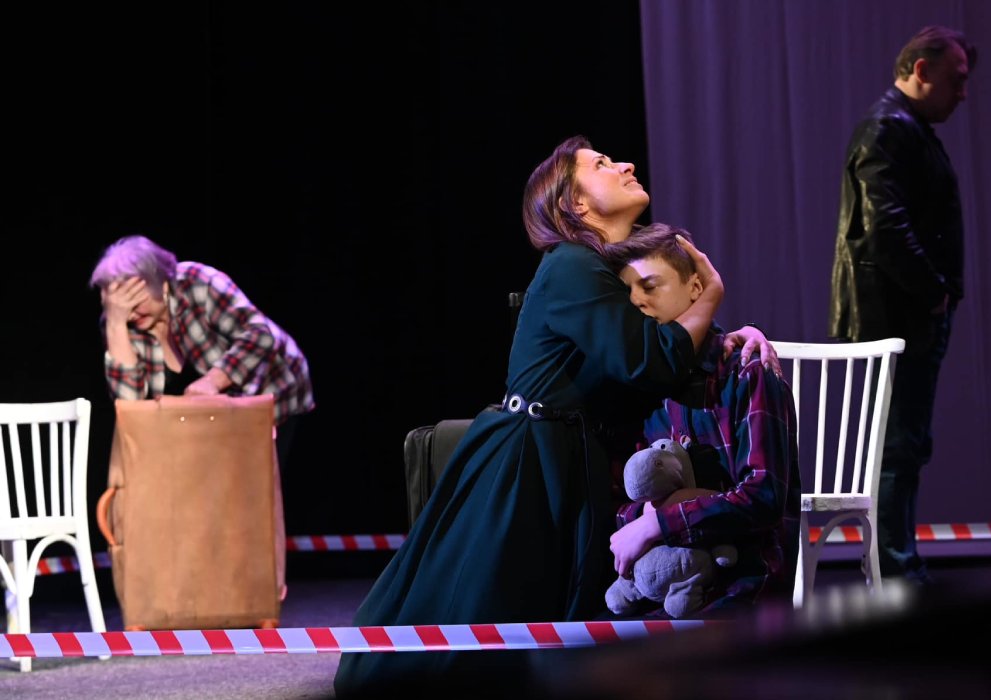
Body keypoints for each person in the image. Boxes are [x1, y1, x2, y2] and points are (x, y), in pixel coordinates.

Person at [333, 136, 772, 696]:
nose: (625, 164)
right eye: (602, 164)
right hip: (526, 458)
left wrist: (732, 336)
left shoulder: (601, 271)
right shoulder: (571, 263)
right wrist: (711, 294)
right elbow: (649, 360)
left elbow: (659, 350)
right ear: (576, 204)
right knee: (490, 608)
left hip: (563, 452)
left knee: (540, 617)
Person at [828, 26, 976, 584]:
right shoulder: (888, 127)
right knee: (896, 447)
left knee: (904, 445)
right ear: (921, 70)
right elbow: (884, 226)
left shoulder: (902, 127)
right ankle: (894, 569)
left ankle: (896, 564)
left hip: (904, 316)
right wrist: (933, 291)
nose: (962, 93)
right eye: (956, 80)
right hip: (894, 319)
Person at [606, 224, 799, 617]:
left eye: (650, 286)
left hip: (741, 581)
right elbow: (625, 496)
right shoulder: (645, 385)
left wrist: (658, 523)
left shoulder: (747, 372)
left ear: (696, 288)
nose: (637, 301)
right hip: (665, 584)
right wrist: (642, 518)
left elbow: (764, 497)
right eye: (628, 293)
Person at [89, 235, 315, 463]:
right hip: (224, 418)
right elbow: (130, 407)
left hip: (276, 385)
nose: (130, 315)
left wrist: (212, 381)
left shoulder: (197, 282)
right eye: (121, 307)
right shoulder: (119, 322)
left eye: (136, 303)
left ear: (162, 283)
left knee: (257, 478)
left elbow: (260, 335)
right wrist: (115, 324)